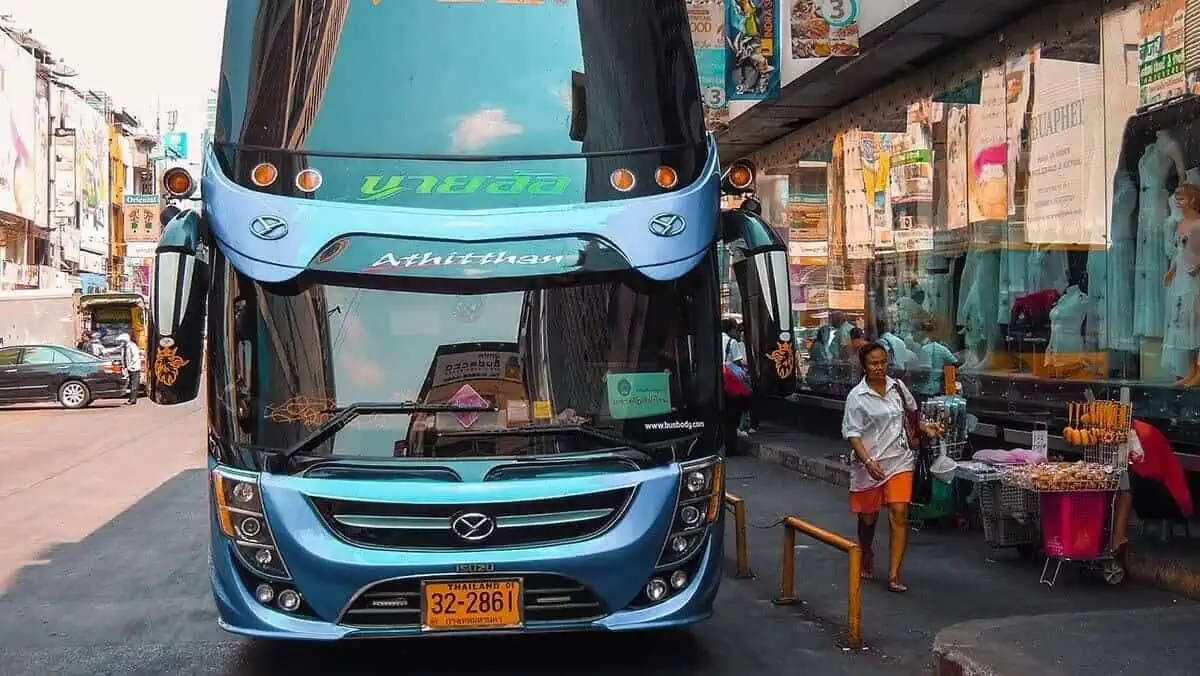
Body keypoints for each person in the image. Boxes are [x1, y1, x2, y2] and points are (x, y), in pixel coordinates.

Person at [842, 342, 943, 592]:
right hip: (869, 464)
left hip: (900, 459)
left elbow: (911, 417)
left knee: (899, 512)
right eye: (874, 363)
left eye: (883, 362)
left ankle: (894, 573)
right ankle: (866, 552)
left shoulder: (897, 387)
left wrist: (925, 428)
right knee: (868, 518)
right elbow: (852, 434)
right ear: (864, 366)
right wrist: (867, 461)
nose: (879, 367)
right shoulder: (857, 396)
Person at [721, 318, 751, 453]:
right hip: (730, 381)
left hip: (718, 380)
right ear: (732, 329)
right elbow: (737, 362)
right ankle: (732, 446)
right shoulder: (731, 342)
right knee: (733, 414)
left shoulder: (714, 339)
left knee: (724, 414)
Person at [119, 333, 143, 405]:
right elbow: (115, 349)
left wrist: (131, 366)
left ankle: (132, 400)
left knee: (134, 384)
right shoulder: (124, 346)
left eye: (122, 340)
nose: (121, 342)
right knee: (130, 384)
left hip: (134, 368)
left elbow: (135, 357)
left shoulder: (132, 346)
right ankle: (131, 399)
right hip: (128, 368)